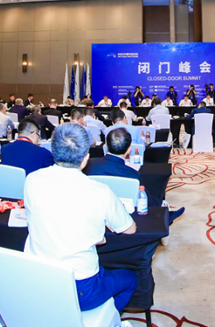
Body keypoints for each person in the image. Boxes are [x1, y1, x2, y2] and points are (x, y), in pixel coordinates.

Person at [24, 123, 137, 313]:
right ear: (85, 159)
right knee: (130, 280)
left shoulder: (32, 180)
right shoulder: (100, 192)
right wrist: (98, 234)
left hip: (38, 279)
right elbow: (130, 228)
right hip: (81, 287)